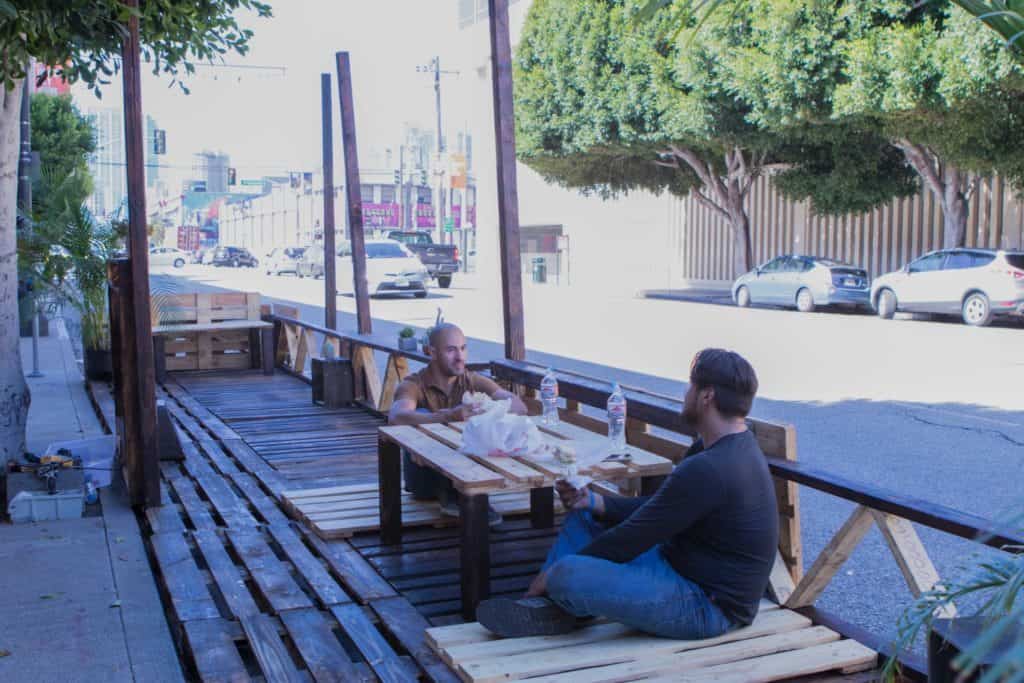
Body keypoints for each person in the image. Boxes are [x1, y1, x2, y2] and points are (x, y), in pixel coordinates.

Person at [476, 348, 779, 640]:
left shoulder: (712, 466)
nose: (685, 393)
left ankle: (552, 598)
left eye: (691, 385)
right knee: (585, 517)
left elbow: (634, 538)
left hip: (707, 606)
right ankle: (556, 608)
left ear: (706, 396)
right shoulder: (719, 447)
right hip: (677, 564)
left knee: (568, 574)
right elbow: (660, 508)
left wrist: (550, 576)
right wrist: (594, 501)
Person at [389, 323, 528, 524]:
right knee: (420, 413)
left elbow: (518, 406)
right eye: (451, 350)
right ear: (431, 352)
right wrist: (447, 416)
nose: (460, 357)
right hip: (425, 480)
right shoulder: (413, 384)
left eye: (463, 348)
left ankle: (470, 496)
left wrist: (488, 410)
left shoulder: (472, 381)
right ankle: (456, 497)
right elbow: (396, 416)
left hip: (468, 473)